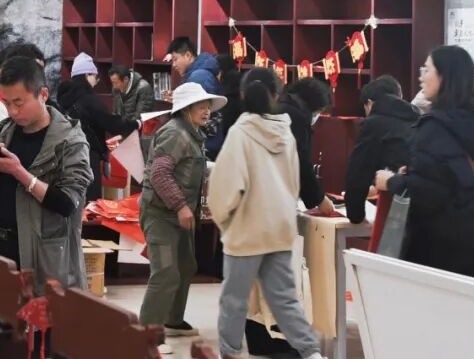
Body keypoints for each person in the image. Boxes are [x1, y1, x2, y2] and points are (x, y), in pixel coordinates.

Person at [208, 67, 325, 359]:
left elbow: (225, 186)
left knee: (235, 300)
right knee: (285, 299)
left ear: (243, 94)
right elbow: (294, 181)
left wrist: (225, 221)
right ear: (276, 94)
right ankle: (311, 352)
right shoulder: (286, 132)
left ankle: (229, 353)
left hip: (246, 232)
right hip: (279, 230)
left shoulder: (240, 133)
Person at [376, 46, 474, 278]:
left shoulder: (434, 127)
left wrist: (391, 181)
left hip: (437, 243)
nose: (421, 77)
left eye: (427, 70)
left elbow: (426, 192)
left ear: (444, 77)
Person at [0, 56, 93, 296]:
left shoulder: (70, 141)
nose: (13, 111)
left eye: (19, 102)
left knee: (37, 318)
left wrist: (19, 172)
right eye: (7, 103)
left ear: (43, 94)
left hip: (40, 258)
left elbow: (67, 203)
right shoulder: (2, 132)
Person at [139, 83, 226, 353]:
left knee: (186, 266)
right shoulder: (175, 133)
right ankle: (146, 336)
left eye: (208, 106)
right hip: (161, 214)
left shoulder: (192, 133)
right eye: (201, 106)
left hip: (179, 215)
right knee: (165, 272)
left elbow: (188, 170)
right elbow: (160, 174)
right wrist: (180, 206)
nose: (207, 111)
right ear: (186, 109)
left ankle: (172, 320)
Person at [56, 52, 140, 201]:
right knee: (90, 203)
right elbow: (110, 122)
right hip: (88, 157)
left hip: (66, 157)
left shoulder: (64, 99)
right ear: (87, 75)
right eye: (95, 76)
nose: (96, 81)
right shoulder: (88, 99)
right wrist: (136, 124)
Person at [344, 75, 418, 224]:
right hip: (422, 204)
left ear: (369, 103)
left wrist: (355, 215)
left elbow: (358, 172)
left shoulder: (374, 124)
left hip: (394, 207)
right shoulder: (418, 118)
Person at [278, 78, 336, 215]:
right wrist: (319, 199)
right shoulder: (297, 118)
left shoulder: (278, 106)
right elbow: (301, 163)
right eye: (319, 111)